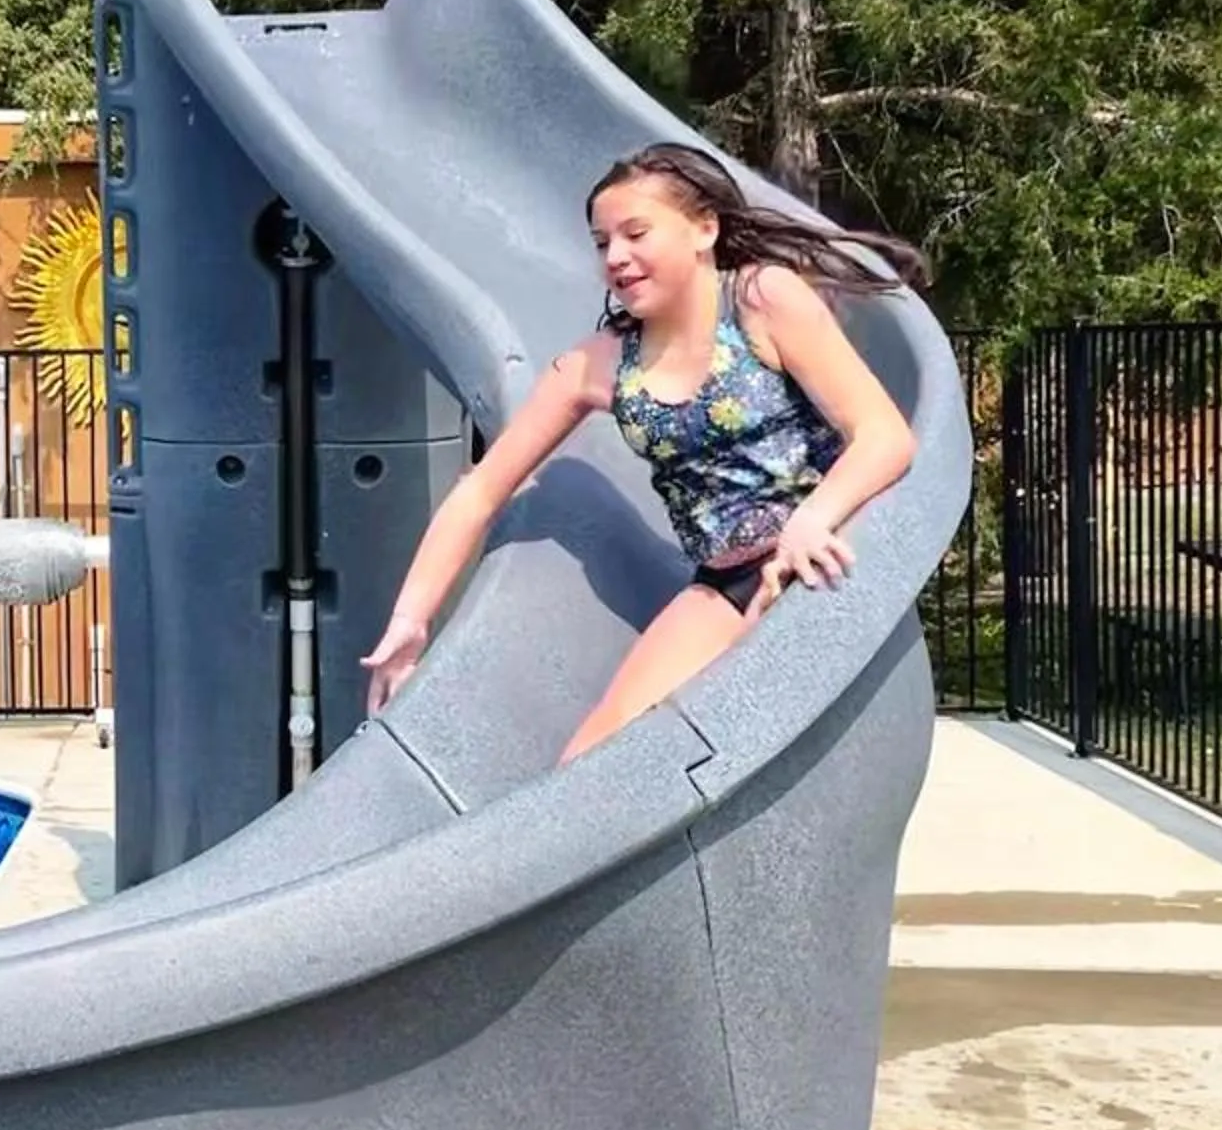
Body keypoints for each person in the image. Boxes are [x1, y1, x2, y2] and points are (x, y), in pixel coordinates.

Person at [359, 142, 925, 761]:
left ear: (704, 229)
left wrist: (814, 518)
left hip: (831, 551)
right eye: (602, 243)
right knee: (590, 763)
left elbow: (884, 435)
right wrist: (411, 623)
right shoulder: (599, 365)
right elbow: (481, 491)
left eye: (635, 233)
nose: (616, 257)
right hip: (726, 583)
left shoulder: (763, 300)